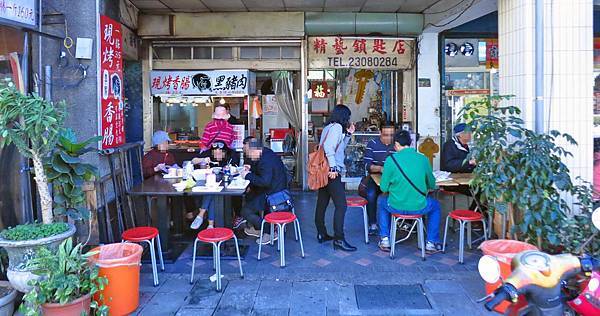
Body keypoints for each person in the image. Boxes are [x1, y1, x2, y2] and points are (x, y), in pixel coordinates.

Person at [377, 130, 443, 253]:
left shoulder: (391, 160)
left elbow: (383, 188)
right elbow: (432, 184)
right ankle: (431, 242)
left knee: (381, 201)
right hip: (419, 206)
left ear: (396, 144)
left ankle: (385, 239)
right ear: (410, 143)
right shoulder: (423, 159)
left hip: (395, 206)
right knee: (436, 206)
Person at [314, 104, 357, 252]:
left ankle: (321, 233)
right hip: (331, 171)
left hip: (324, 169)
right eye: (348, 117)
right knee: (341, 206)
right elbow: (328, 148)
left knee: (322, 202)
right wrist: (333, 168)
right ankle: (339, 239)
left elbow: (339, 147)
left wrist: (349, 135)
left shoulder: (329, 127)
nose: (349, 120)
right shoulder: (337, 128)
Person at [241, 139, 289, 244]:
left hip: (273, 195)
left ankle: (268, 231)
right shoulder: (266, 153)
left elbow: (264, 182)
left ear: (255, 150)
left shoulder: (266, 161)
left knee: (245, 211)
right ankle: (260, 228)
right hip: (274, 189)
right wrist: (250, 169)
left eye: (249, 153)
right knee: (249, 196)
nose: (249, 157)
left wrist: (247, 175)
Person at [188, 141, 240, 230]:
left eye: (220, 152)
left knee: (212, 193)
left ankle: (201, 215)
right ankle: (210, 225)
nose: (217, 154)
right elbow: (193, 160)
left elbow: (236, 169)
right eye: (215, 152)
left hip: (226, 184)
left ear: (225, 152)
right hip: (211, 183)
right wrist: (203, 160)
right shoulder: (208, 153)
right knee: (212, 192)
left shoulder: (231, 155)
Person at [362, 125, 396, 235]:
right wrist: (381, 168)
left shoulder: (397, 145)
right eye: (386, 135)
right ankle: (372, 224)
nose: (389, 138)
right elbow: (367, 165)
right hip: (375, 177)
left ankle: (399, 222)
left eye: (391, 135)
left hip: (393, 178)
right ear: (380, 133)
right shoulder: (372, 144)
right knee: (371, 194)